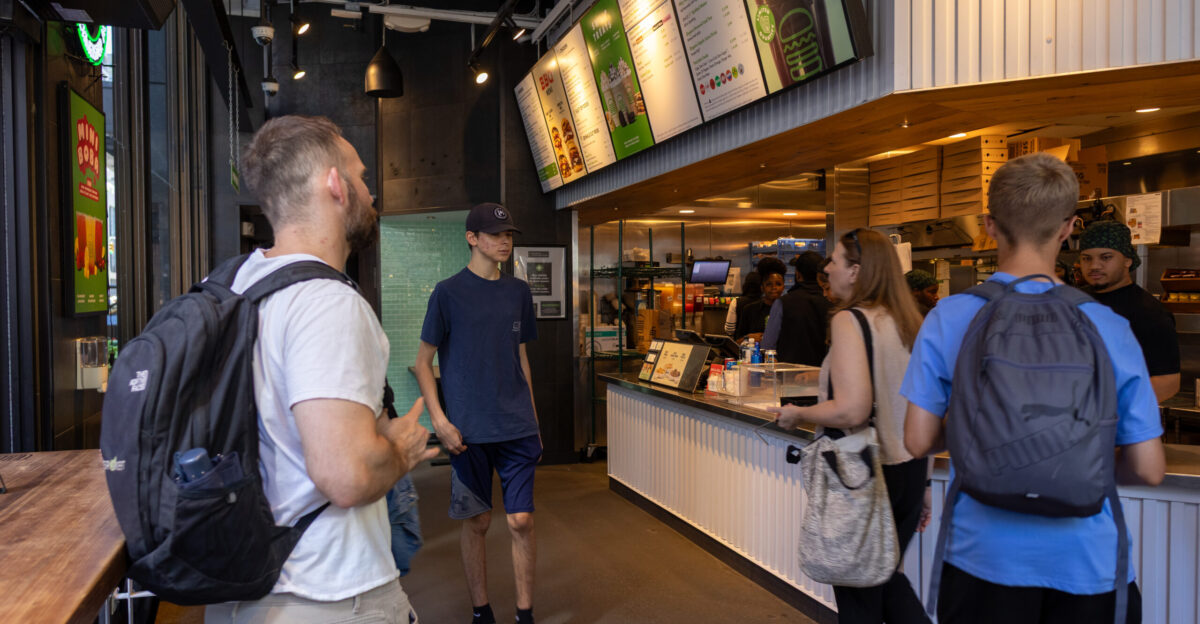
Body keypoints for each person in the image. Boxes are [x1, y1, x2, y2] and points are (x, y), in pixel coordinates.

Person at [903, 153, 1166, 623]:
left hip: (981, 558)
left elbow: (918, 440)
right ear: (1068, 229)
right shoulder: (1107, 324)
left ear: (990, 225)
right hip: (1091, 565)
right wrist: (1073, 459)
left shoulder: (949, 316)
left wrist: (984, 428)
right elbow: (1149, 469)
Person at [205, 115, 437, 623]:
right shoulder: (325, 303)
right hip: (326, 594)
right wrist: (401, 449)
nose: (370, 193)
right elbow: (345, 476)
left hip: (245, 591)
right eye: (362, 177)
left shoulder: (237, 286)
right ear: (335, 184)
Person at [769, 228, 928, 624]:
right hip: (908, 470)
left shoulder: (849, 320)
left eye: (835, 261)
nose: (827, 269)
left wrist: (798, 414)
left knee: (861, 598)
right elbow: (917, 405)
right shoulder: (908, 321)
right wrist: (924, 484)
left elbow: (852, 410)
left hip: (864, 473)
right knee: (886, 582)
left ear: (856, 271)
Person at [415, 203, 541, 624]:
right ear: (472, 238)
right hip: (468, 432)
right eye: (495, 234)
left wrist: (535, 422)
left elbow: (521, 359)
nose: (505, 241)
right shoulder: (447, 293)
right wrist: (440, 421)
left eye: (508, 235)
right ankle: (481, 611)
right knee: (479, 521)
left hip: (517, 425)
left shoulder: (519, 292)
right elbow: (423, 363)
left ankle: (525, 613)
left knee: (521, 520)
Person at [1079, 221, 1181, 402]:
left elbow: (1168, 382)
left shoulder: (1149, 313)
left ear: (1128, 260)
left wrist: (1106, 408)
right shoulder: (1072, 302)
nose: (1094, 266)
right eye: (1087, 258)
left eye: (1106, 257)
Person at [762, 251, 832, 366]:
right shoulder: (831, 301)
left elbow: (767, 345)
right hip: (823, 373)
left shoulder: (783, 303)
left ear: (798, 275)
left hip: (789, 374)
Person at [735, 257, 787, 343]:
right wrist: (749, 338)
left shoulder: (789, 310)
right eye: (769, 284)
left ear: (783, 287)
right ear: (762, 287)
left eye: (778, 284)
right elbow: (737, 342)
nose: (774, 287)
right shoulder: (749, 310)